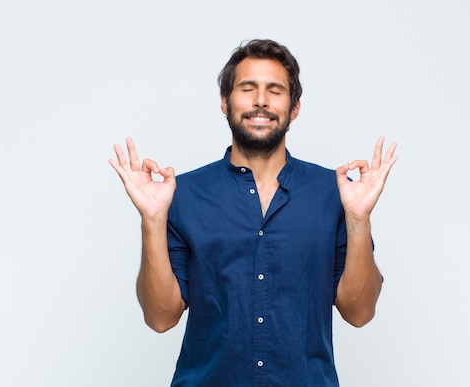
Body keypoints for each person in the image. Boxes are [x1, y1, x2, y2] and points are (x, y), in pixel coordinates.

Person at [109, 39, 398, 386]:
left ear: (294, 108)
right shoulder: (182, 195)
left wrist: (358, 219)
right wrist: (153, 221)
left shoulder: (333, 194)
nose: (261, 100)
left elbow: (360, 312)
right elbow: (159, 318)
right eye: (248, 88)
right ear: (224, 102)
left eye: (275, 91)